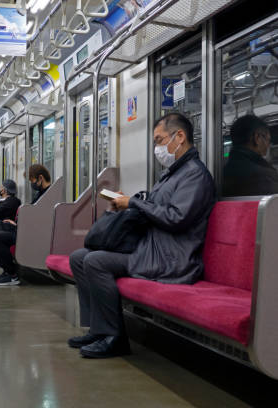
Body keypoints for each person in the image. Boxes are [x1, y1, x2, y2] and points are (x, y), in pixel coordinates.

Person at [67, 112, 215, 359]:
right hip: (150, 249)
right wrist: (126, 202)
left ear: (179, 137)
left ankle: (114, 337)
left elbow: (176, 218)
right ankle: (97, 328)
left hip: (171, 259)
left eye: (159, 140)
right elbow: (155, 208)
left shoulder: (195, 175)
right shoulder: (172, 174)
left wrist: (134, 204)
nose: (157, 148)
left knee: (95, 261)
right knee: (79, 257)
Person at [0, 165, 52, 286]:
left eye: (32, 181)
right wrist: (16, 223)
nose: (31, 184)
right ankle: (7, 271)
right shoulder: (40, 194)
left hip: (33, 233)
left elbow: (39, 217)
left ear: (40, 178)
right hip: (26, 229)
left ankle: (12, 275)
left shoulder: (47, 195)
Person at [222, 115, 278, 196]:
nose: (268, 145)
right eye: (268, 140)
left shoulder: (221, 173)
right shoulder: (265, 176)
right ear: (257, 138)